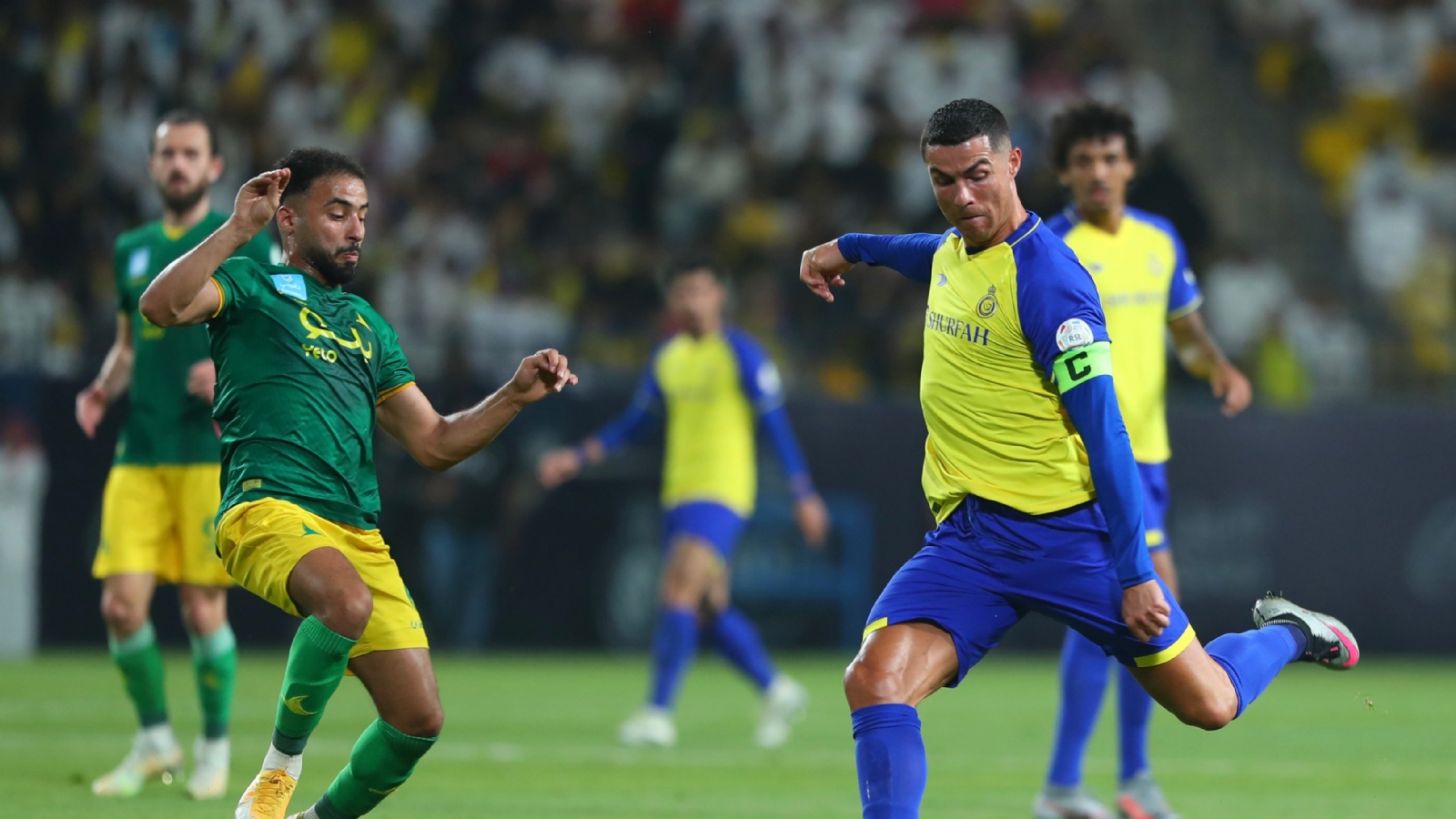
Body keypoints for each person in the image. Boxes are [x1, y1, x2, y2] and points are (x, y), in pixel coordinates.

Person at [795, 98, 1358, 819]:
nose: (961, 196)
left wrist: (1136, 572)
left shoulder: (1050, 283)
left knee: (1211, 703)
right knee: (874, 680)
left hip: (1068, 536)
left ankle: (1291, 631)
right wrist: (845, 247)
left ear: (1013, 163)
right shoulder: (952, 252)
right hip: (970, 541)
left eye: (977, 174)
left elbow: (1108, 435)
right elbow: (914, 251)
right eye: (943, 180)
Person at [139, 148, 577, 819]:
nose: (356, 230)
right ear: (289, 219)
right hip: (266, 504)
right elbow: (160, 306)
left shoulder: (369, 327)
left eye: (364, 215)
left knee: (417, 721)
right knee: (343, 603)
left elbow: (434, 441)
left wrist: (514, 396)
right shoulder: (249, 286)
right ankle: (275, 777)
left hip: (356, 532)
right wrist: (236, 229)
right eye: (338, 212)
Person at [1033, 100, 1254, 819]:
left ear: (1130, 165)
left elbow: (1184, 330)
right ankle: (1101, 781)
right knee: (1146, 605)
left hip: (1148, 456)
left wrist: (1217, 366)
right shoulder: (1048, 248)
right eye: (1084, 161)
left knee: (1132, 611)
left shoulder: (1159, 240)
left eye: (1110, 158)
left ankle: (1096, 781)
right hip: (1085, 458)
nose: (1098, 172)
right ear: (1065, 173)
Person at [537, 260, 830, 749]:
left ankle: (658, 712)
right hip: (679, 493)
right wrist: (578, 456)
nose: (691, 301)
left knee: (676, 588)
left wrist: (803, 494)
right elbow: (636, 423)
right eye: (683, 293)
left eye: (700, 290)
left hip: (723, 494)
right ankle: (776, 689)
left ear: (719, 296)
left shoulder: (742, 353)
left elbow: (776, 426)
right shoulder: (668, 357)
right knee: (709, 608)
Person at [79, 110, 278, 800]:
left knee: (201, 609)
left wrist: (229, 374)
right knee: (120, 607)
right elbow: (128, 345)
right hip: (140, 449)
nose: (178, 164)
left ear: (215, 167)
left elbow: (275, 339)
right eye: (168, 153)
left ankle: (215, 748)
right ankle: (154, 740)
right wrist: (101, 388)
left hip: (206, 453)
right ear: (152, 165)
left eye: (192, 153)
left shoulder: (243, 242)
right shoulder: (132, 248)